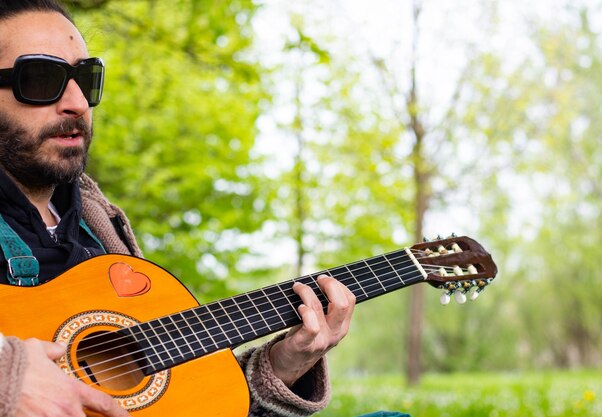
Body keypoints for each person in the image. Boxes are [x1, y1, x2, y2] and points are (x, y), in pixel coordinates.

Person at [0, 1, 356, 416]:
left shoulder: (103, 228)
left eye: (85, 78)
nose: (78, 102)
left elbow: (176, 402)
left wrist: (283, 366)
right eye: (42, 78)